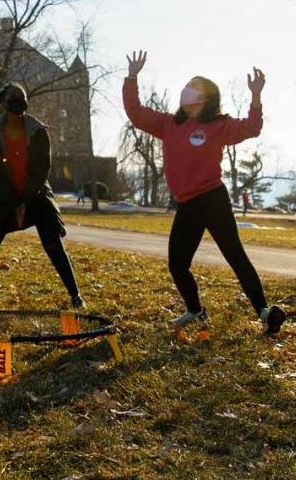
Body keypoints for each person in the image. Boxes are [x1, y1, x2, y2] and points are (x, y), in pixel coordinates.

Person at [122, 50, 286, 335]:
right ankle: (196, 311)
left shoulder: (218, 126)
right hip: (187, 204)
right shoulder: (168, 124)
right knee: (177, 264)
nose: (187, 91)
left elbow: (251, 128)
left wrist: (256, 96)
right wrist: (132, 77)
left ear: (206, 98)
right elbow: (136, 114)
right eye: (187, 85)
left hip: (213, 199)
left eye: (194, 87)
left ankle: (265, 312)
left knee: (235, 255)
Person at [0, 82, 85, 308]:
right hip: (6, 196)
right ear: (3, 104)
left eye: (22, 96)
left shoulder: (38, 131)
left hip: (36, 195)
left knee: (53, 244)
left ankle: (75, 295)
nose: (19, 101)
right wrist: (13, 203)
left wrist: (26, 202)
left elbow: (42, 168)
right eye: (13, 97)